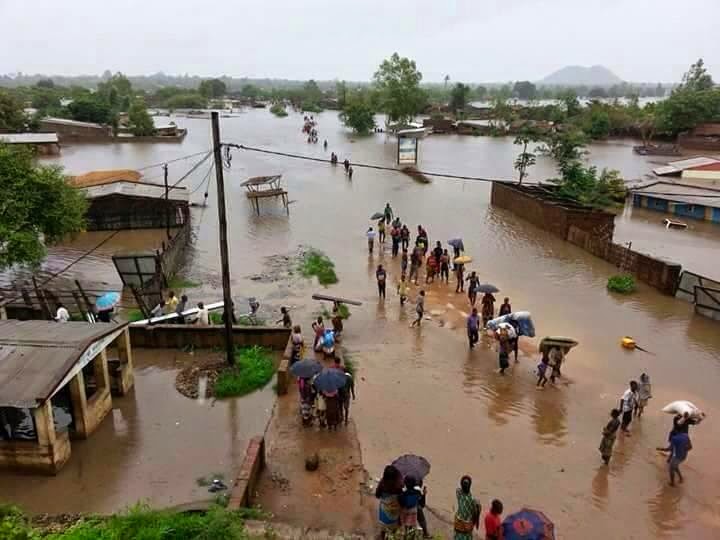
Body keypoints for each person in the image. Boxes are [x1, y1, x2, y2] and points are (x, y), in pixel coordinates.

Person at [376, 465, 403, 538]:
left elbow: (377, 495)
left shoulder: (382, 483)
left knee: (383, 528)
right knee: (394, 526)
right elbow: (401, 499)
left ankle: (383, 537)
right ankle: (393, 535)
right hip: (394, 512)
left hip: (384, 510)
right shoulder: (398, 486)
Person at [453, 475, 480, 540]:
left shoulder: (458, 493)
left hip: (458, 524)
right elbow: (476, 516)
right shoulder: (473, 500)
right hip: (467, 527)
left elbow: (459, 488)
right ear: (470, 486)